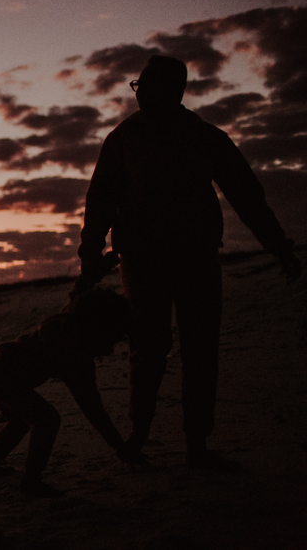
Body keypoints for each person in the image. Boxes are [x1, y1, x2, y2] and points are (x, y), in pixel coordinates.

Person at [78, 55, 301, 471]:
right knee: (152, 346)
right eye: (137, 85)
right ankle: (142, 434)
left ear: (171, 90)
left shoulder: (202, 137)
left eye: (143, 84)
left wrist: (278, 246)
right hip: (145, 260)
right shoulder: (126, 138)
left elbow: (247, 196)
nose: (138, 91)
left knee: (196, 348)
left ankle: (192, 443)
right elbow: (102, 199)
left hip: (193, 256)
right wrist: (90, 252)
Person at [0, 289, 146, 497]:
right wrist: (120, 447)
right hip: (3, 377)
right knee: (47, 420)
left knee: (21, 420)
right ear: (98, 329)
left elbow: (78, 291)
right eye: (111, 339)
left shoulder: (66, 323)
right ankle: (30, 481)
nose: (111, 349)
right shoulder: (74, 357)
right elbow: (93, 409)